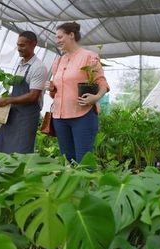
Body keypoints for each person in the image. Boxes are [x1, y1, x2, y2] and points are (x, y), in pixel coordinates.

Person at [48, 22, 110, 162]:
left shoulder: (89, 56)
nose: (57, 41)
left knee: (84, 160)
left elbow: (102, 83)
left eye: (60, 37)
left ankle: (87, 184)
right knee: (67, 159)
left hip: (82, 116)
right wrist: (52, 88)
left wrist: (96, 97)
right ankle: (73, 184)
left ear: (71, 35)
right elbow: (55, 92)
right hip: (60, 117)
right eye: (56, 38)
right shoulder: (58, 61)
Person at [0, 31, 48, 154]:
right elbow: (17, 92)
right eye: (18, 45)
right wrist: (5, 98)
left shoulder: (38, 67)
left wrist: (7, 100)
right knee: (3, 148)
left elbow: (33, 96)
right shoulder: (20, 65)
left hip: (27, 117)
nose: (19, 49)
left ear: (33, 45)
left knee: (21, 151)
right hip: (12, 114)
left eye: (23, 45)